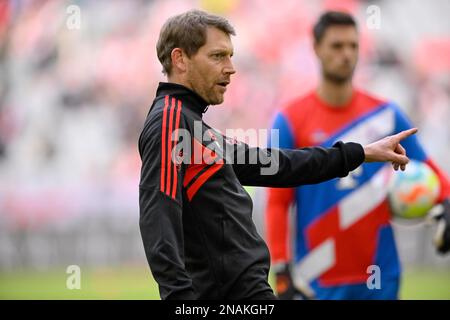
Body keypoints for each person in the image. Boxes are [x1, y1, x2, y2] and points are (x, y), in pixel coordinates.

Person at [138, 9, 417, 300]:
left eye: (231, 56)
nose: (231, 67)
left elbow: (279, 166)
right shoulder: (170, 121)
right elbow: (158, 221)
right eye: (218, 56)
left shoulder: (195, 127)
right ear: (180, 59)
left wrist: (360, 153)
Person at [265, 11, 450, 300]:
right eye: (337, 46)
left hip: (380, 272)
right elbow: (278, 201)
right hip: (316, 273)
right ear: (316, 48)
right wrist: (281, 265)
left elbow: (426, 166)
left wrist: (446, 201)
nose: (347, 54)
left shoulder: (386, 115)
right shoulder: (290, 119)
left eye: (353, 46)